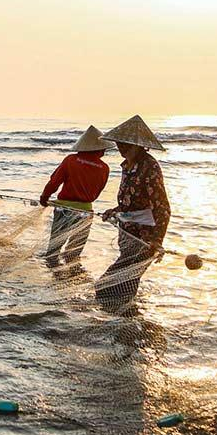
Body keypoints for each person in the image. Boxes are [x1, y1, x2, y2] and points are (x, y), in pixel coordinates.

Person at [95, 115, 171, 309]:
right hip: (127, 232)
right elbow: (130, 203)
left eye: (125, 144)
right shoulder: (126, 166)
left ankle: (126, 320)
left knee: (108, 285)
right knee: (124, 283)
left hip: (143, 237)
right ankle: (125, 320)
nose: (121, 148)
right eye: (119, 144)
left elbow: (162, 206)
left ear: (138, 145)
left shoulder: (149, 166)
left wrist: (157, 240)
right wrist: (115, 211)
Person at [39, 125, 114, 268]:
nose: (105, 151)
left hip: (63, 210)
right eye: (103, 148)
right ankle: (70, 277)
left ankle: (52, 276)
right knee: (74, 251)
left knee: (54, 248)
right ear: (98, 149)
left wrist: (44, 197)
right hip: (85, 212)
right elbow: (97, 192)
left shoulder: (71, 160)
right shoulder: (104, 168)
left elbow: (54, 182)